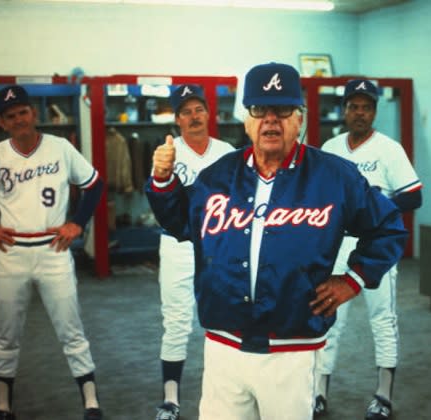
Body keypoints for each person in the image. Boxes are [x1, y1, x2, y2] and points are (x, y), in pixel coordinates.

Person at [145, 62, 407, 420]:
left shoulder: (334, 175)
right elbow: (179, 222)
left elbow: (389, 225)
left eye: (282, 110)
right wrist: (162, 180)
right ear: (247, 120)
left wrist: (353, 279)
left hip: (292, 348)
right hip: (223, 346)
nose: (271, 120)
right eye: (259, 110)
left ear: (300, 118)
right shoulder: (218, 176)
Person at [0, 85, 104, 420]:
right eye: (11, 116)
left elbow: (93, 184)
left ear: (33, 114)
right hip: (12, 252)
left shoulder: (60, 147)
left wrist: (78, 223)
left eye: (23, 112)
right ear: (2, 122)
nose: (19, 119)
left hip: (53, 249)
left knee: (71, 328)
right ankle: (2, 405)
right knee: (7, 333)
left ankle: (91, 402)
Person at [315, 79, 422, 420]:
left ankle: (383, 396)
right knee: (329, 318)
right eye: (353, 106)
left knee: (383, 319)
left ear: (374, 111)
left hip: (375, 243)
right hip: (337, 243)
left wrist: (373, 205)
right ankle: (318, 392)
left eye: (366, 107)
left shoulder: (389, 149)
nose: (359, 112)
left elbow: (414, 195)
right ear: (344, 110)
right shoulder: (330, 148)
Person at [153, 84, 234, 420]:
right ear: (177, 119)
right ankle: (171, 398)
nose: (194, 116)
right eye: (186, 111)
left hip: (218, 246)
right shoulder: (167, 154)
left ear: (208, 113)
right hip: (177, 246)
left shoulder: (227, 152)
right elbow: (159, 206)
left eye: (198, 109)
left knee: (225, 319)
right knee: (176, 322)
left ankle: (228, 393)